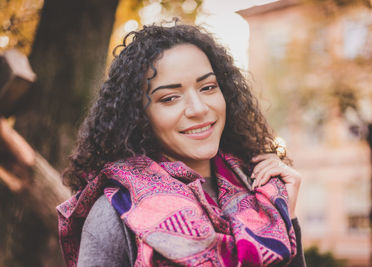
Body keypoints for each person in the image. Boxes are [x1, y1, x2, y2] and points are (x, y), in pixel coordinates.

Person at [57, 23, 306, 267]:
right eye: (170, 98)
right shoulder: (114, 214)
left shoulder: (260, 192)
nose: (198, 109)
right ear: (138, 116)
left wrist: (286, 213)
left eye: (208, 87)